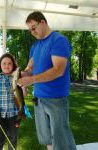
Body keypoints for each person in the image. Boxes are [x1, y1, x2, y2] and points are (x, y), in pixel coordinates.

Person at [18, 11, 77, 150]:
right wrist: (23, 74)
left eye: (33, 28)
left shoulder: (58, 40)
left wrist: (31, 79)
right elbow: (30, 68)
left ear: (43, 22)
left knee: (61, 139)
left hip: (56, 99)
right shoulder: (35, 46)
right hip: (39, 99)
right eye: (29, 30)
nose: (32, 32)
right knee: (47, 138)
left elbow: (58, 70)